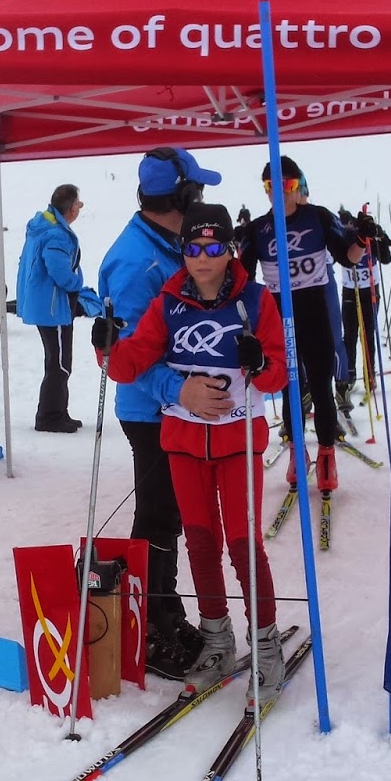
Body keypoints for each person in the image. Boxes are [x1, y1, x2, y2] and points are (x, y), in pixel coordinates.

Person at [106, 204, 289, 701]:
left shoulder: (255, 300)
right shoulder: (168, 303)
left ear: (230, 250)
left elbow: (278, 375)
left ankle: (266, 645)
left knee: (244, 545)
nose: (202, 257)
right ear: (183, 251)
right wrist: (109, 345)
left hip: (237, 441)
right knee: (202, 543)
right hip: (184, 442)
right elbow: (128, 367)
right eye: (192, 247)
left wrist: (260, 363)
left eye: (213, 247)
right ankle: (217, 641)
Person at [95, 147, 227, 678]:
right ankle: (147, 624)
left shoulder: (168, 246)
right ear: (182, 197)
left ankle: (165, 613)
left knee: (168, 514)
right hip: (152, 410)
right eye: (198, 191)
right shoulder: (136, 263)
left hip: (174, 407)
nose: (203, 200)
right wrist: (181, 391)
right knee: (156, 516)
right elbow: (126, 358)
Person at [239, 156, 366, 495]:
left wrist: (361, 240)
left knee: (321, 387)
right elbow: (242, 277)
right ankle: (298, 453)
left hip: (314, 313)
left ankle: (326, 456)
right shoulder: (259, 229)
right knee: (289, 387)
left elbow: (348, 258)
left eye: (288, 185)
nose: (280, 193)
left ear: (298, 187)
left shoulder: (318, 217)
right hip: (280, 318)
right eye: (272, 186)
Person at [16, 184, 102, 433]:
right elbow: (60, 272)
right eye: (78, 205)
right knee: (60, 363)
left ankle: (57, 412)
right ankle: (49, 417)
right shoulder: (56, 234)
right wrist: (76, 283)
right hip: (54, 308)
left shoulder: (43, 226)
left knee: (55, 361)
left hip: (45, 305)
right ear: (71, 208)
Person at [337, 208, 391, 414]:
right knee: (350, 334)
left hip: (369, 291)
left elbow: (386, 258)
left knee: (368, 333)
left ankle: (370, 375)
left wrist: (381, 237)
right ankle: (350, 375)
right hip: (350, 291)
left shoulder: (371, 235)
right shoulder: (345, 236)